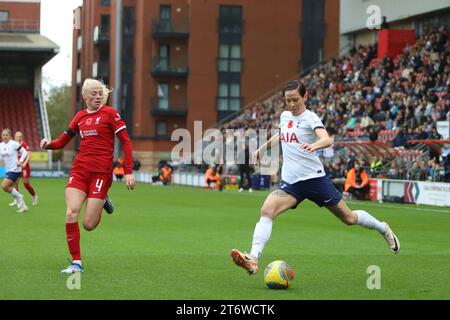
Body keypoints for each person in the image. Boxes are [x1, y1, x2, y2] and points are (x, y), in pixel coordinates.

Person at [230, 81, 400, 275]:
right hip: (291, 184)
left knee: (349, 218)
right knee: (267, 210)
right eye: (288, 101)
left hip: (314, 181)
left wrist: (315, 146)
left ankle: (382, 227)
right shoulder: (285, 116)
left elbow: (327, 139)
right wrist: (261, 149)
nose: (292, 104)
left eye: (295, 100)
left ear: (305, 96)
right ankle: (253, 258)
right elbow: (281, 135)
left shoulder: (311, 118)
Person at [40, 78, 136, 274]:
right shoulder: (80, 117)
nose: (98, 97)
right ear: (84, 96)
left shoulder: (110, 114)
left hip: (101, 174)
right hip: (79, 171)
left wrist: (128, 172)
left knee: (88, 225)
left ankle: (102, 199)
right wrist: (48, 144)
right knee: (71, 212)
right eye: (93, 94)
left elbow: (126, 142)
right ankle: (77, 263)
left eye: (100, 93)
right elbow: (62, 141)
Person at [1, 129, 29, 212]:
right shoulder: (1, 145)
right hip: (8, 170)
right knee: (9, 187)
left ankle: (19, 197)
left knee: (4, 186)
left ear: (10, 136)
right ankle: (23, 207)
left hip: (15, 169)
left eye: (6, 135)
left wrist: (20, 161)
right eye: (3, 135)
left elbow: (25, 152)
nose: (5, 136)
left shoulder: (14, 144)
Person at [9, 131, 38, 206]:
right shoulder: (13, 145)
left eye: (20, 136)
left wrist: (25, 163)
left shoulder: (24, 145)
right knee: (14, 183)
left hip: (25, 167)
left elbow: (29, 155)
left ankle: (34, 196)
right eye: (17, 136)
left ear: (22, 137)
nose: (18, 137)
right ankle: (16, 200)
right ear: (14, 137)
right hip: (16, 167)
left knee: (26, 184)